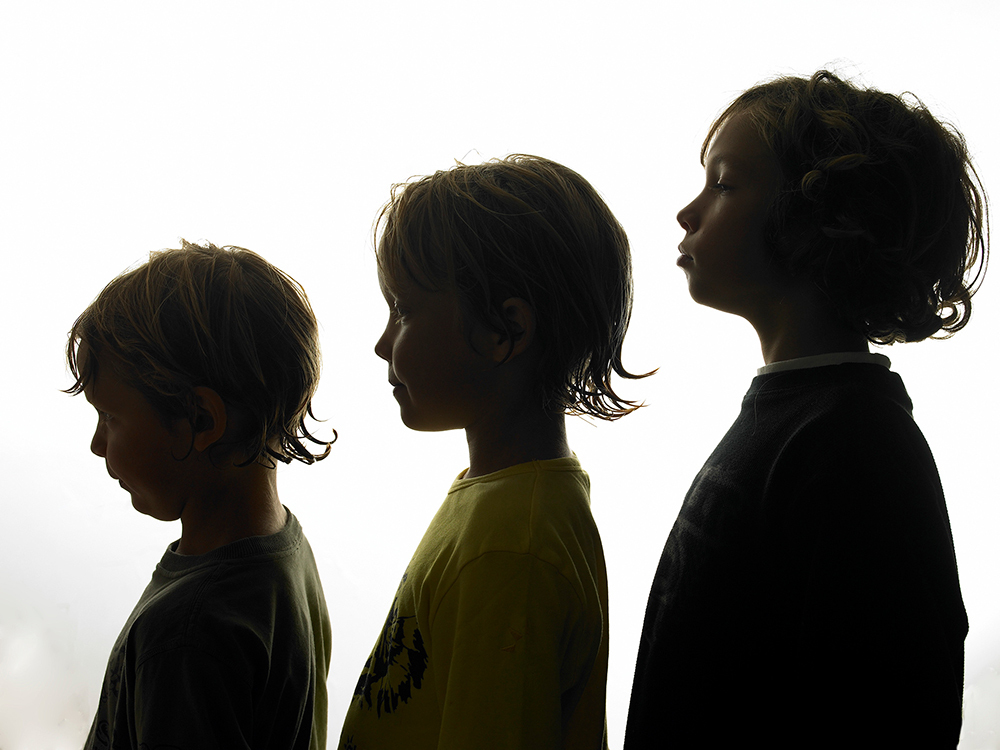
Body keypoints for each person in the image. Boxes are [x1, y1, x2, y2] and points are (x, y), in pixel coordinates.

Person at [625, 70, 988, 748]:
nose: (689, 211)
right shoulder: (798, 415)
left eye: (725, 183)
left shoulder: (856, 447)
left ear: (818, 216)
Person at [339, 155, 651, 750]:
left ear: (505, 330)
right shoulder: (510, 500)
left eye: (403, 310)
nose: (382, 345)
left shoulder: (510, 546)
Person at [66, 241, 335, 749]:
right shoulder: (286, 552)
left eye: (111, 418)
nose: (98, 444)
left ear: (201, 420)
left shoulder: (188, 636)